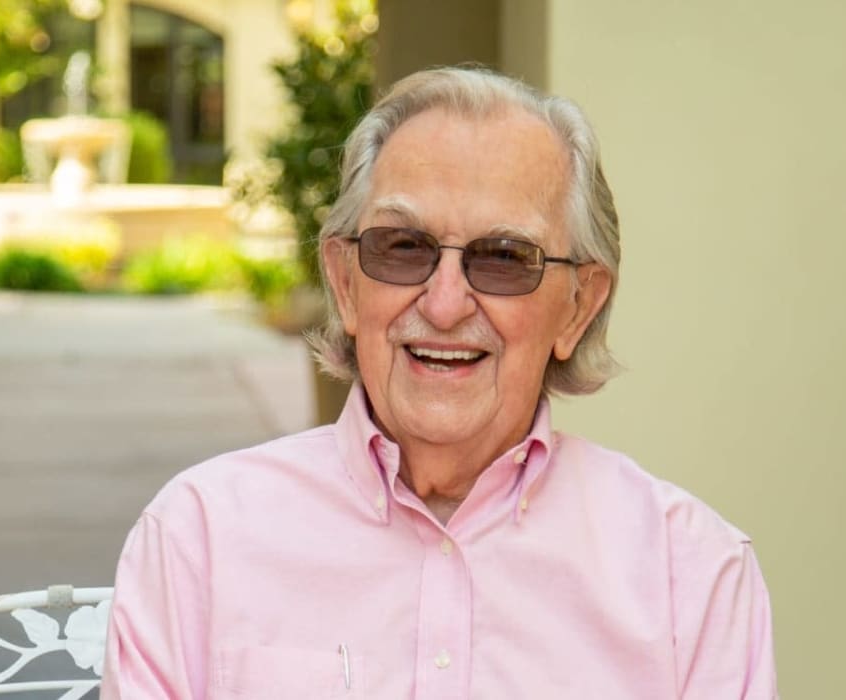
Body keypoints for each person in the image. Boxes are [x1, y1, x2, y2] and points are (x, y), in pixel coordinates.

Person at [100, 67, 777, 698]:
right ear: (344, 282)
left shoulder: (690, 574)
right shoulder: (200, 538)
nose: (445, 304)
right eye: (403, 247)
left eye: (505, 257)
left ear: (578, 306)